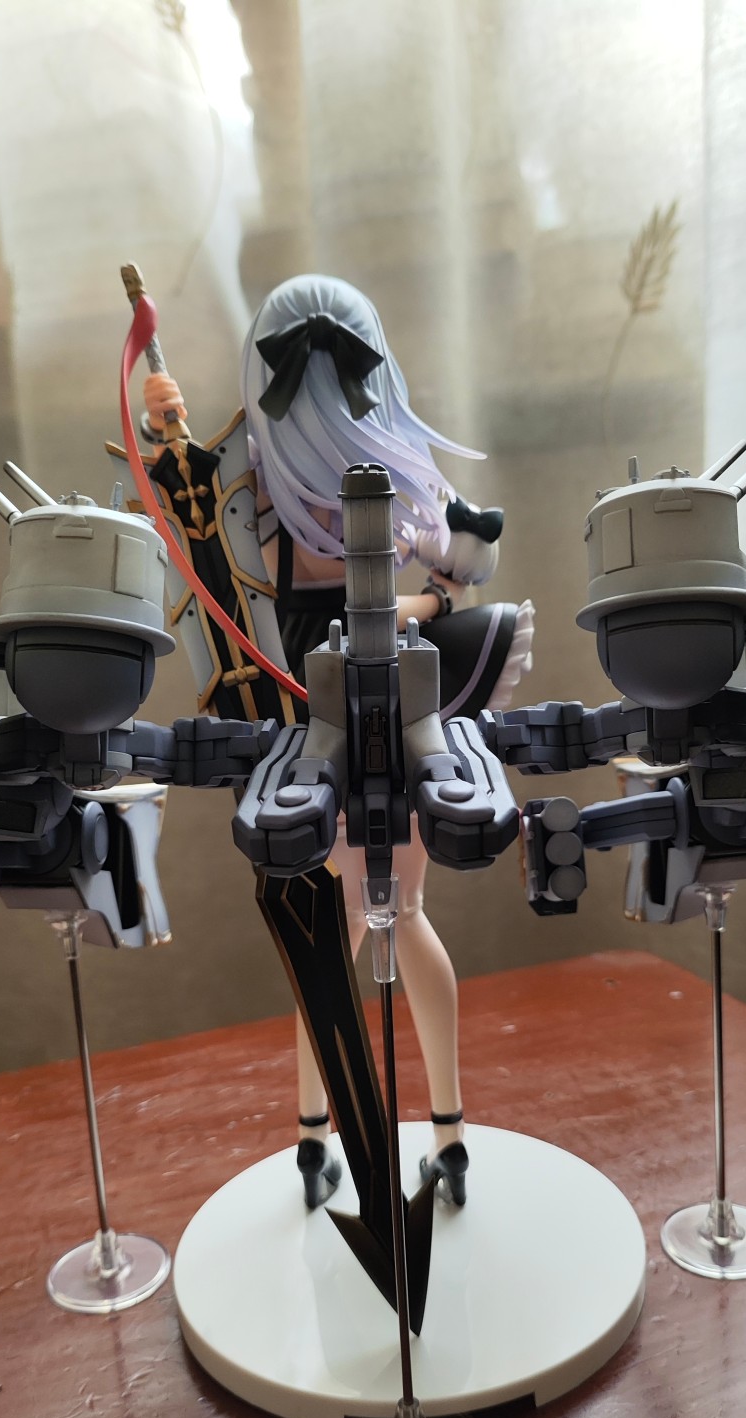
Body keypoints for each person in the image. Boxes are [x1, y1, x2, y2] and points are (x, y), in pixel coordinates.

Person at [144, 274, 532, 1208]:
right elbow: (197, 527)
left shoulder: (380, 486)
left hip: (387, 708)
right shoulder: (267, 496)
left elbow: (464, 568)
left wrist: (418, 600)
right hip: (320, 711)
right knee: (361, 923)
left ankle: (395, 1133)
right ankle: (351, 1133)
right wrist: (168, 436)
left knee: (374, 921)